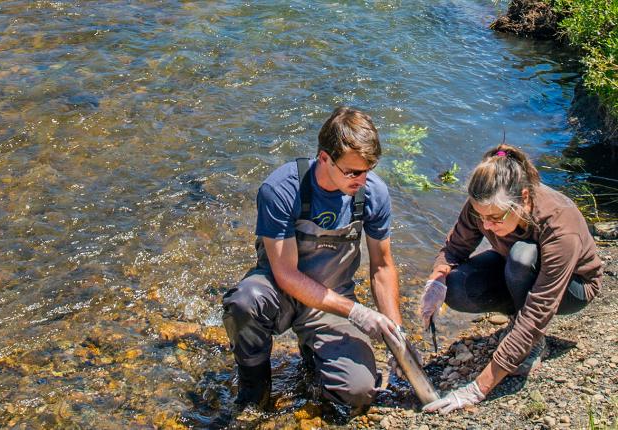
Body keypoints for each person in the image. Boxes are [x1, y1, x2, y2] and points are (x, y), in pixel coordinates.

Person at [222, 106, 410, 413]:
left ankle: (314, 359)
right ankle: (254, 392)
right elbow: (285, 274)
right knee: (244, 302)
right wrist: (359, 313)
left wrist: (396, 335)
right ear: (324, 158)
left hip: (331, 302)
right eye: (353, 172)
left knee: (359, 392)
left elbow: (382, 266)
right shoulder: (282, 189)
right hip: (280, 292)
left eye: (368, 170)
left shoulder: (372, 193)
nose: (362, 180)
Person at [420, 144, 603, 414]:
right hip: (516, 270)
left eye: (494, 218)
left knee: (522, 256)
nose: (486, 226)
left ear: (524, 198)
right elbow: (454, 249)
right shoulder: (485, 204)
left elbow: (540, 307)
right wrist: (435, 282)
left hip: (573, 288)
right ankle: (517, 321)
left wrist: (478, 388)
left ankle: (533, 344)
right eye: (481, 218)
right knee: (456, 286)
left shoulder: (559, 223)